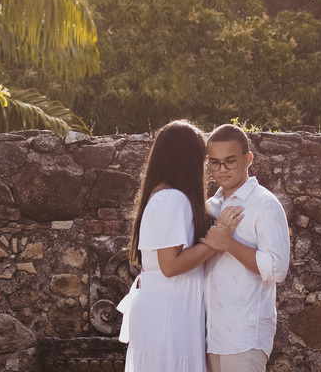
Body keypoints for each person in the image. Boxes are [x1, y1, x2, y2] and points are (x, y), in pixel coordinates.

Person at [118, 120, 243, 372]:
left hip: (171, 309)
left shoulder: (169, 196)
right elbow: (170, 265)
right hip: (168, 315)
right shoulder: (171, 198)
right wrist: (216, 240)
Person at [200, 123, 291, 372]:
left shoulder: (264, 204)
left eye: (230, 161)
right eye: (214, 162)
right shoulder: (211, 206)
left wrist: (228, 244)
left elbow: (277, 268)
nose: (222, 169)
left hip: (245, 334)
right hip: (211, 335)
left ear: (247, 159)